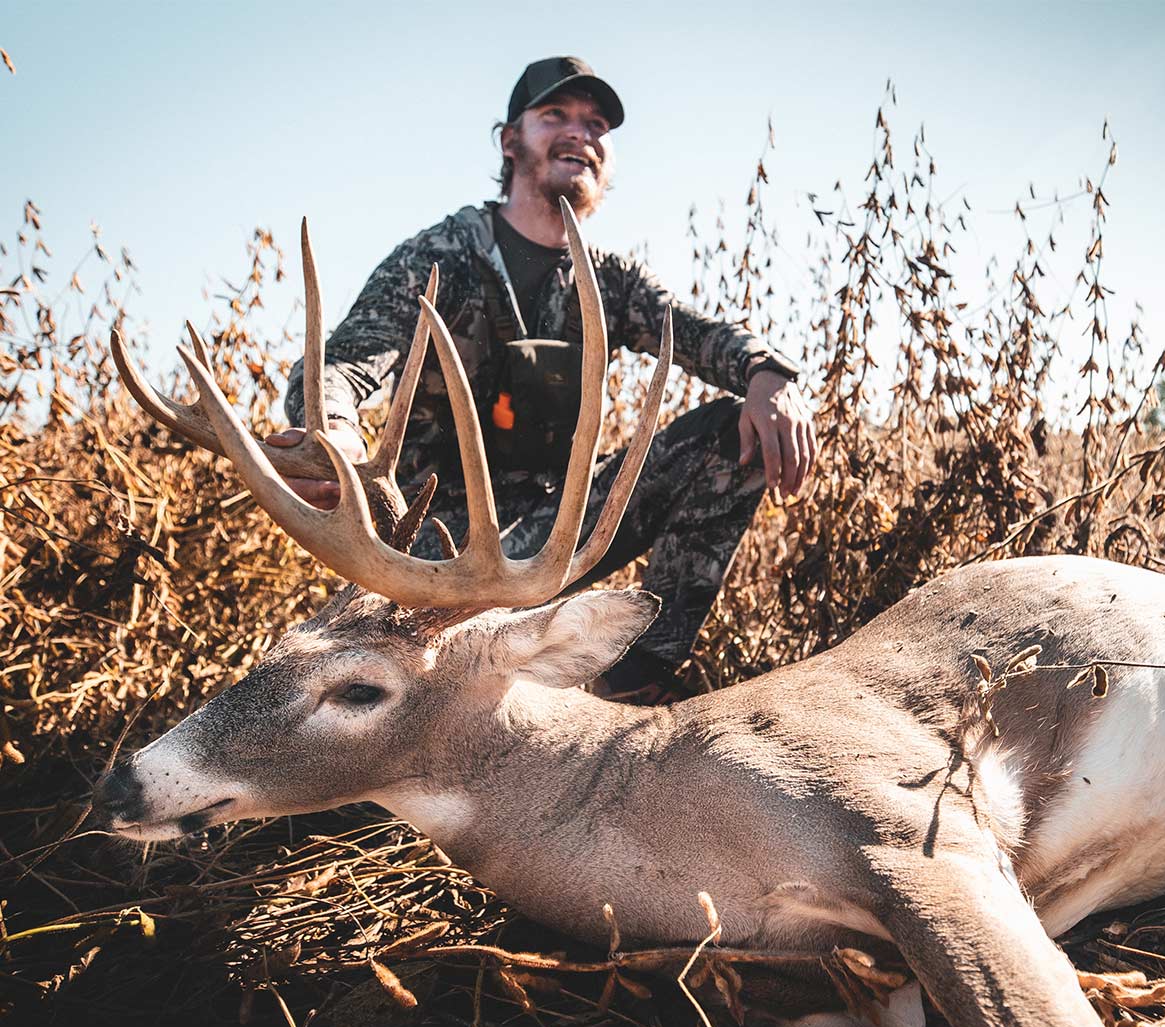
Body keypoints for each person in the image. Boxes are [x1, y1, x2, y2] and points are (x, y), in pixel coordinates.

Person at [268, 56, 817, 703]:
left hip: (556, 532)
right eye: (555, 115)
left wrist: (769, 373)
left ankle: (625, 697)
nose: (579, 133)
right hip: (439, 549)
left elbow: (697, 334)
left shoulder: (609, 280)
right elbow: (342, 365)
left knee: (730, 435)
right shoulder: (445, 253)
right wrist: (332, 433)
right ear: (510, 140)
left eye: (595, 124)